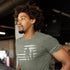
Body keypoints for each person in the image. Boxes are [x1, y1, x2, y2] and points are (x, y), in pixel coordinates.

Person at [14, 2, 70, 70]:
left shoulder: (46, 40)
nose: (18, 23)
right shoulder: (18, 42)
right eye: (18, 20)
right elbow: (21, 64)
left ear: (32, 20)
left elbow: (67, 62)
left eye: (22, 19)